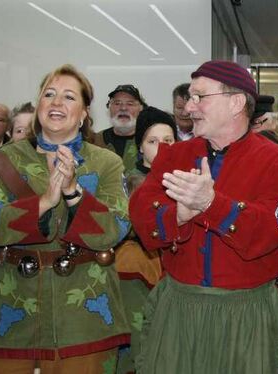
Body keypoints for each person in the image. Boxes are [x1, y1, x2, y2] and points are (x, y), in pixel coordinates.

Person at [129, 60, 278, 374]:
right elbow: (144, 217)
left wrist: (211, 204)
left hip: (247, 315)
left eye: (200, 97)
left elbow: (270, 230)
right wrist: (180, 214)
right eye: (188, 97)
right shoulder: (172, 156)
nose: (189, 107)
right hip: (178, 311)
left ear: (236, 102)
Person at [0, 64, 130, 373]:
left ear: (84, 112)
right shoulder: (4, 160)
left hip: (84, 318)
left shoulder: (107, 163)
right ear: (39, 105)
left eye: (69, 97)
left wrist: (73, 192)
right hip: (11, 308)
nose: (57, 103)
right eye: (49, 94)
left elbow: (114, 230)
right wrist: (44, 202)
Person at [116, 106, 175, 374]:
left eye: (168, 141)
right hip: (135, 273)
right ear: (140, 146)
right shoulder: (125, 180)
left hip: (177, 275)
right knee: (138, 344)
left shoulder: (188, 179)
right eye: (152, 141)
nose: (161, 148)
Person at [93, 84, 146, 174]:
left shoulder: (150, 140)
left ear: (141, 108)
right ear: (109, 108)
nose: (123, 108)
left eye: (130, 104)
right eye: (117, 103)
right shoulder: (95, 142)